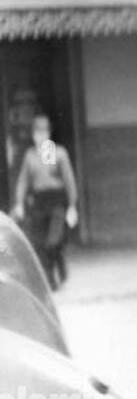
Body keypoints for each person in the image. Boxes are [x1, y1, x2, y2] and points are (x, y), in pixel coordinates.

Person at [11, 115, 78, 290]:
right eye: (36, 132)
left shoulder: (59, 153)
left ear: (48, 133)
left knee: (53, 241)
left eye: (43, 132)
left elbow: (69, 180)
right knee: (41, 243)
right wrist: (19, 202)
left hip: (56, 200)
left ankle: (60, 264)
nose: (40, 136)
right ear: (33, 135)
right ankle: (50, 281)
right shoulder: (30, 156)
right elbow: (23, 181)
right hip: (40, 202)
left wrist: (72, 205)